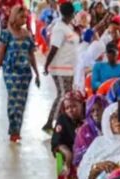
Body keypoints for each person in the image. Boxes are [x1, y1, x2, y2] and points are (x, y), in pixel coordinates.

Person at [0, 5, 39, 143]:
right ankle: (13, 129)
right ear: (14, 17)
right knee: (13, 101)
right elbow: (0, 55)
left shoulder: (27, 34)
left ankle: (17, 130)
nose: (24, 19)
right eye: (21, 17)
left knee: (22, 102)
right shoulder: (6, 34)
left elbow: (31, 55)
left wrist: (36, 73)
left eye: (25, 17)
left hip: (25, 73)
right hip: (10, 73)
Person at [42, 1, 78, 132]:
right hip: (60, 68)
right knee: (62, 95)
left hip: (68, 68)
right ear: (71, 14)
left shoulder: (68, 27)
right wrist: (46, 64)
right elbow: (54, 48)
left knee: (66, 95)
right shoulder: (59, 28)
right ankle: (50, 122)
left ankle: (63, 121)